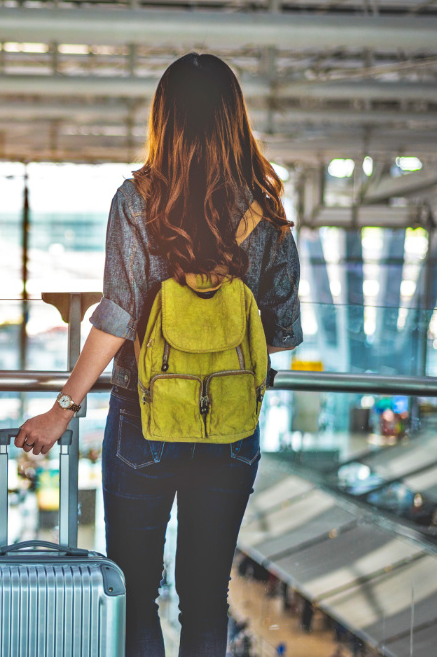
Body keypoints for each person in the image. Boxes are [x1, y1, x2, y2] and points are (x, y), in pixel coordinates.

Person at [16, 52, 301, 656]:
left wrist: (61, 409)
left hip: (143, 420)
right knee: (205, 600)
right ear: (234, 118)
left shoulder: (138, 200)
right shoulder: (267, 211)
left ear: (164, 118)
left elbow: (116, 317)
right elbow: (279, 333)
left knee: (135, 590)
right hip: (229, 428)